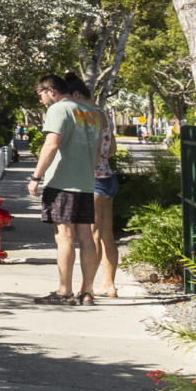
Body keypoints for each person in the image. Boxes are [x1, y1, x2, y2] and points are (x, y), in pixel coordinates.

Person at [31, 72, 102, 303]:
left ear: (52, 91)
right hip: (85, 182)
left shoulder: (59, 109)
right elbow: (100, 153)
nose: (40, 99)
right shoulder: (92, 113)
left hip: (62, 182)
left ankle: (64, 291)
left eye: (39, 94)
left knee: (65, 236)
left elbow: (51, 145)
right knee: (86, 236)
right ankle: (88, 291)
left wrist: (36, 176)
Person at [74, 75, 123, 298]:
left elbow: (89, 146)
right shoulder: (103, 114)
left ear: (77, 96)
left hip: (93, 178)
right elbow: (111, 148)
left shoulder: (86, 115)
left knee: (91, 234)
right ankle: (109, 284)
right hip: (108, 176)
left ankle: (88, 287)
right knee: (106, 233)